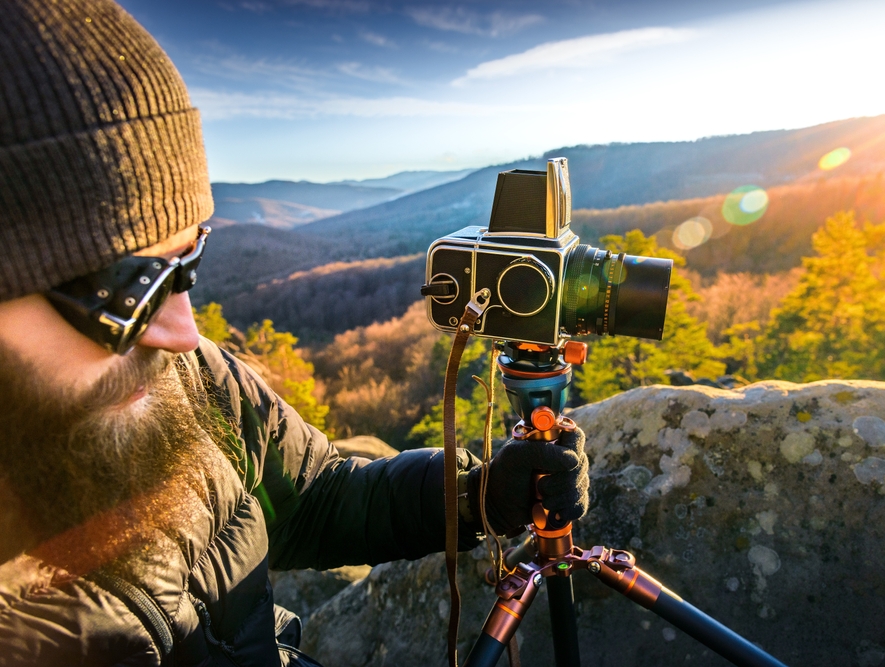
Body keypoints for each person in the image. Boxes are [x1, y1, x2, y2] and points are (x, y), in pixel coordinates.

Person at [0, 1, 590, 665]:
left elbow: (315, 499)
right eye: (124, 288)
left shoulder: (187, 379)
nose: (184, 332)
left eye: (188, 262)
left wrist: (476, 497)